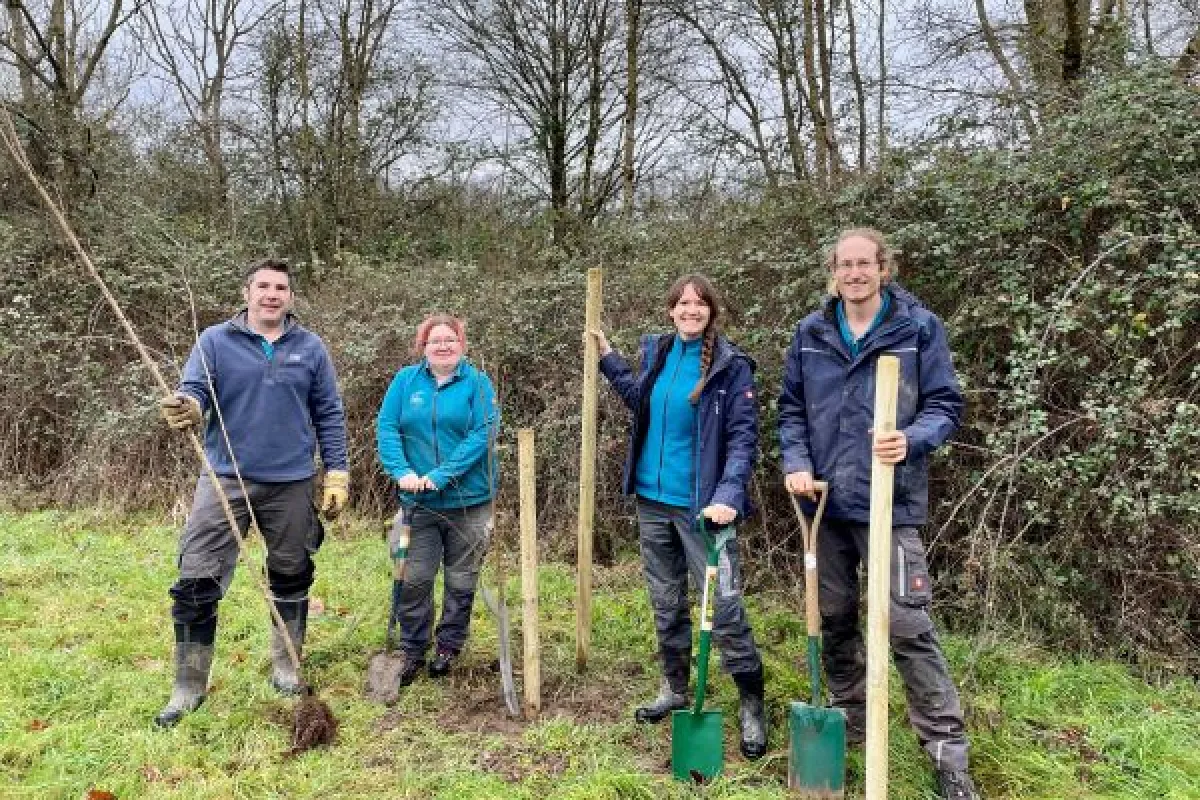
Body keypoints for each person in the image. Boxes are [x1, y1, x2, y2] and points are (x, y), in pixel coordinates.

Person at [778, 228, 978, 799]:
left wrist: (912, 439)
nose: (855, 274)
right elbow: (791, 409)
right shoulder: (811, 332)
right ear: (833, 271)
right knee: (836, 619)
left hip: (893, 500)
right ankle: (850, 728)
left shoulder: (917, 328)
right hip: (826, 503)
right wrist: (796, 462)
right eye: (845, 265)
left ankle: (949, 762)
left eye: (865, 264)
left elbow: (945, 403)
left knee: (908, 627)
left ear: (883, 268)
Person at [155, 258, 349, 728]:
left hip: (293, 481)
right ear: (246, 293)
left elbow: (328, 412)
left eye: (280, 287)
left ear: (290, 298)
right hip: (225, 478)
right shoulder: (215, 341)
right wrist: (188, 407)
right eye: (262, 286)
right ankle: (188, 686)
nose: (271, 294)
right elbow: (196, 390)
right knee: (196, 580)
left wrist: (337, 472)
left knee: (292, 572)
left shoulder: (311, 347)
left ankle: (286, 667)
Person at [590, 274, 768, 760]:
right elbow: (638, 400)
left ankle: (752, 702)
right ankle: (675, 687)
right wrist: (609, 358)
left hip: (705, 511)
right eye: (683, 303)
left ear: (711, 310)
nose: (691, 310)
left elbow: (742, 440)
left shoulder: (732, 367)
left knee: (725, 607)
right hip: (652, 501)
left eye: (699, 303)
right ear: (671, 310)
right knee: (666, 601)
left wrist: (728, 494)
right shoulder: (658, 353)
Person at [375, 314, 499, 686]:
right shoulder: (405, 382)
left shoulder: (478, 384)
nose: (443, 346)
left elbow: (483, 432)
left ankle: (449, 645)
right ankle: (412, 648)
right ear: (423, 347)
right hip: (417, 503)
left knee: (462, 577)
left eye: (450, 340)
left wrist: (442, 475)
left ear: (462, 345)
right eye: (435, 341)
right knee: (413, 577)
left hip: (469, 501)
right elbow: (387, 427)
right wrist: (403, 472)